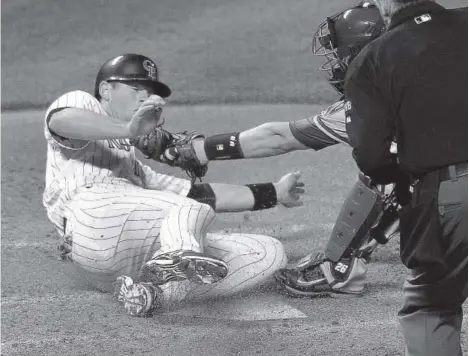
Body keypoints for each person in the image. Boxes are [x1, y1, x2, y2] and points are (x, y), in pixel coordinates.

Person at [148, 2, 397, 297]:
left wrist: (201, 150)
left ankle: (337, 269)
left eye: (341, 53)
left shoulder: (367, 108)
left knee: (384, 170)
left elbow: (279, 137)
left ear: (360, 54)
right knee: (411, 162)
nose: (337, 62)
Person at [42, 53, 306, 317]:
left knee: (266, 253)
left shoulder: (134, 169)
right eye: (135, 89)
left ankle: (153, 294)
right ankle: (179, 255)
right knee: (191, 210)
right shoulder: (83, 103)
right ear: (105, 90)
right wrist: (129, 130)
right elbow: (61, 121)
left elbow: (201, 194)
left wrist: (275, 192)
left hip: (117, 266)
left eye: (150, 92)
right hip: (90, 220)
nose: (144, 97)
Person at [343, 1, 467, 355]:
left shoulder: (373, 57)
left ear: (385, 4)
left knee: (431, 307)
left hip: (452, 194)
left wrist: (402, 181)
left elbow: (371, 156)